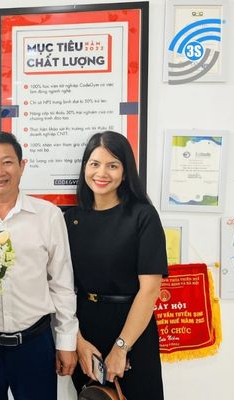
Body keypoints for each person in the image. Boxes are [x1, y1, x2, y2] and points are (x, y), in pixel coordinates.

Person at [0, 132, 78, 400]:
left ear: (22, 166)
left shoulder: (48, 215)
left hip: (35, 344)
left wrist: (67, 341)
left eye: (7, 162)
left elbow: (62, 283)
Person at [64, 131, 167, 399]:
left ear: (125, 171)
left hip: (133, 329)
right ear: (85, 167)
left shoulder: (143, 216)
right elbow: (59, 287)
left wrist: (121, 347)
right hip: (85, 329)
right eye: (94, 164)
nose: (102, 173)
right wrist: (77, 341)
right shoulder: (71, 219)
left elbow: (149, 290)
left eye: (112, 165)